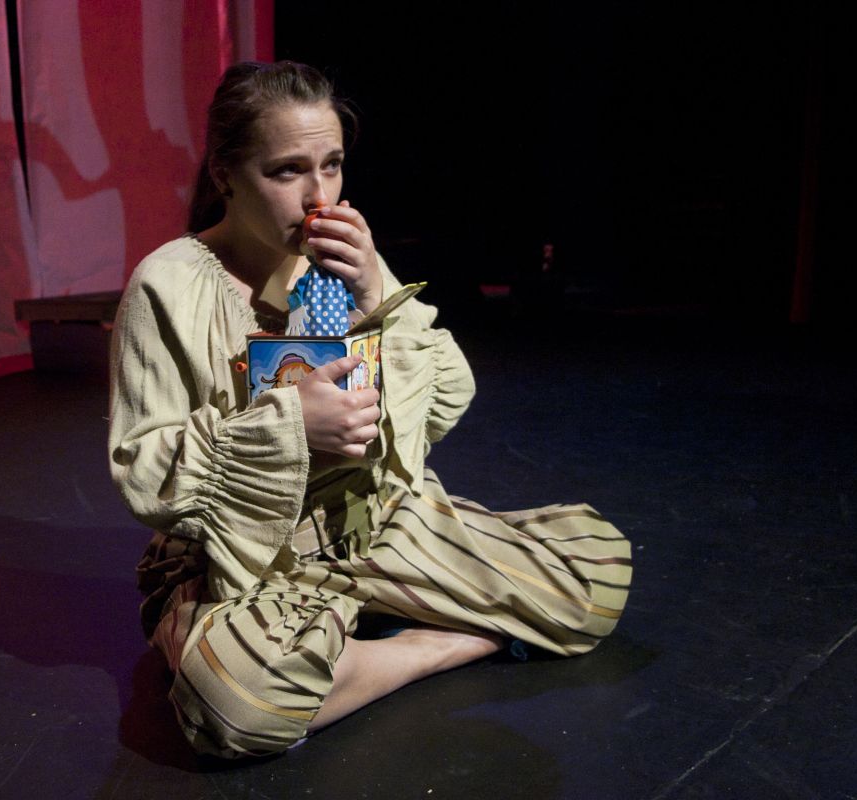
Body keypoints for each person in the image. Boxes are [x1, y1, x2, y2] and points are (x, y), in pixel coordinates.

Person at [108, 61, 631, 758]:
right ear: (225, 174)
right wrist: (288, 427)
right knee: (235, 699)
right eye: (287, 171)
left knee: (594, 580)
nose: (319, 196)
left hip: (367, 521)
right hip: (242, 555)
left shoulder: (344, 265)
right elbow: (144, 471)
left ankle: (350, 633)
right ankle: (434, 645)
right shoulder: (167, 285)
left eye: (331, 165)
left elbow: (446, 400)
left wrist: (375, 292)